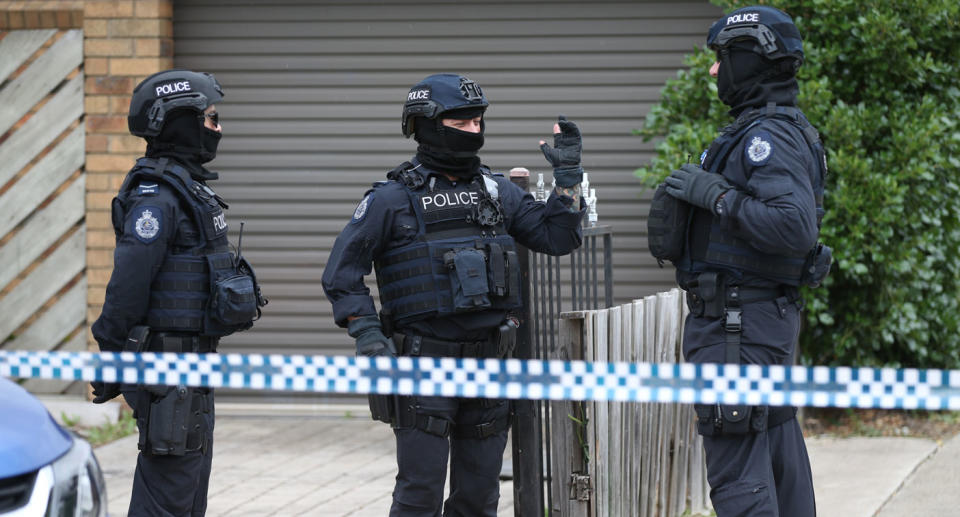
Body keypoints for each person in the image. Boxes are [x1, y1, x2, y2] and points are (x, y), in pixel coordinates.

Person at [322, 73, 586, 516]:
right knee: (419, 493)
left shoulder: (497, 191)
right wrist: (365, 330)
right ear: (425, 125)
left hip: (488, 363)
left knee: (479, 498)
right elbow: (342, 273)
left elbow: (557, 238)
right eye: (461, 124)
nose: (474, 132)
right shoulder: (392, 198)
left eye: (478, 122)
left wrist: (567, 180)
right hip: (424, 364)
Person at [656, 6, 831, 516]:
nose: (713, 71)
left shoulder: (766, 138)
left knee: (740, 479)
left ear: (751, 61)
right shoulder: (770, 129)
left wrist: (717, 197)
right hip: (753, 324)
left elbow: (795, 227)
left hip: (738, 330)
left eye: (722, 58)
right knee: (778, 459)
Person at [90, 69, 266, 517]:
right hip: (166, 369)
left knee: (188, 494)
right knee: (166, 498)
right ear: (177, 120)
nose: (218, 128)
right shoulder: (157, 197)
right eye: (209, 118)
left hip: (191, 366)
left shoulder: (187, 187)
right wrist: (110, 354)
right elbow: (126, 287)